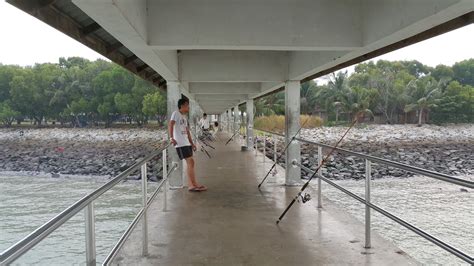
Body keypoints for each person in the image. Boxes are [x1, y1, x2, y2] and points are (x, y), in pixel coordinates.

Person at [169, 98, 207, 192]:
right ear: (182, 105)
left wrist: (192, 143)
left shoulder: (184, 117)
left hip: (186, 142)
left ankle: (193, 184)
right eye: (187, 105)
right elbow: (170, 124)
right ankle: (192, 185)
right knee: (190, 162)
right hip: (180, 143)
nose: (188, 107)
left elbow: (187, 132)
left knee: (191, 163)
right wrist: (171, 138)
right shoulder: (175, 113)